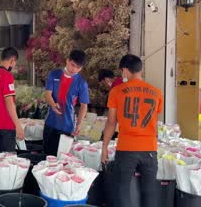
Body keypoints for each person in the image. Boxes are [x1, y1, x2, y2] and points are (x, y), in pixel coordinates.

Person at [101, 54, 163, 207]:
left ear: (125, 70)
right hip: (149, 148)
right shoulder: (156, 92)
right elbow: (154, 121)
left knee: (122, 189)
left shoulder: (116, 91)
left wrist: (104, 147)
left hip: (127, 148)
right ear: (140, 70)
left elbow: (111, 122)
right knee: (149, 191)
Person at [43, 50, 90, 156]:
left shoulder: (81, 83)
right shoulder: (54, 74)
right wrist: (53, 104)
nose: (74, 69)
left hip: (68, 126)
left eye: (78, 68)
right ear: (67, 60)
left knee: (62, 158)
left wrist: (79, 124)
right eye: (73, 65)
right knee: (47, 156)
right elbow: (47, 94)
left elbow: (84, 106)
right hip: (51, 122)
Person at [0, 47, 24, 153]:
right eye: (14, 63)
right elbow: (9, 102)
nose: (13, 66)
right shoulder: (7, 75)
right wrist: (18, 126)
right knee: (7, 161)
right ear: (12, 60)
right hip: (6, 126)